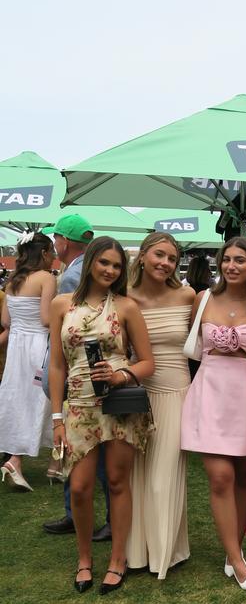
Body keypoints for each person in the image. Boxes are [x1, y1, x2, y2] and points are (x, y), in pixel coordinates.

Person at [48, 237, 154, 595]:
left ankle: (117, 559)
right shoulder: (62, 305)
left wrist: (121, 375)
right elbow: (57, 366)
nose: (110, 270)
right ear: (91, 261)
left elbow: (147, 362)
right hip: (78, 404)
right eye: (104, 263)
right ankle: (84, 559)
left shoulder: (126, 306)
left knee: (117, 482)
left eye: (117, 266)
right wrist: (56, 418)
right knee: (79, 487)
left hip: (118, 403)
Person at [181, 237, 246, 591]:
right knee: (220, 478)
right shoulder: (202, 299)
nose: (231, 266)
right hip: (209, 391)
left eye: (240, 260)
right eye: (226, 259)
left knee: (245, 476)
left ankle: (234, 550)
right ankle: (238, 560)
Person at [126, 233, 195, 578]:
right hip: (137, 393)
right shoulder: (124, 298)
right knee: (137, 475)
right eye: (159, 255)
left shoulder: (187, 296)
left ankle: (169, 550)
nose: (165, 263)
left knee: (163, 477)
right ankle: (137, 553)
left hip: (176, 392)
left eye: (172, 258)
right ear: (142, 256)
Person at [40, 214, 111, 542]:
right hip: (89, 380)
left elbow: (67, 340)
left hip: (81, 383)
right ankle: (79, 512)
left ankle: (78, 512)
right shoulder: (84, 271)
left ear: (63, 241)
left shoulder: (71, 278)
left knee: (87, 453)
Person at [0, 232, 56, 490]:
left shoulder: (13, 280)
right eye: (52, 252)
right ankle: (56, 461)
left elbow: (5, 322)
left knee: (18, 399)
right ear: (44, 253)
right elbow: (46, 319)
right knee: (46, 399)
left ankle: (16, 459)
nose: (54, 257)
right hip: (37, 345)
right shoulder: (46, 278)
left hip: (16, 348)